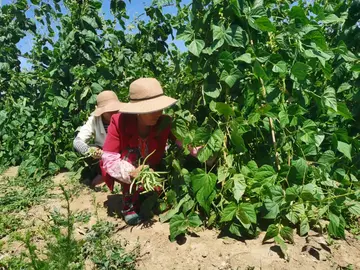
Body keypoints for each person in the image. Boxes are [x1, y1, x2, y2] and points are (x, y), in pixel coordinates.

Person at [100, 78, 201, 225]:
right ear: (138, 111)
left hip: (154, 167)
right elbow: (109, 158)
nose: (158, 113)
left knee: (154, 196)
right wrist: (131, 172)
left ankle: (147, 194)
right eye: (151, 109)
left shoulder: (164, 122)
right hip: (129, 167)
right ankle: (128, 205)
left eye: (159, 108)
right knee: (131, 155)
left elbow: (183, 142)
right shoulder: (119, 121)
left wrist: (203, 153)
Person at [73, 90, 124, 187]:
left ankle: (115, 175)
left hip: (121, 153)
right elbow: (77, 141)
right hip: (102, 155)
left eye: (114, 109)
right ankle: (102, 173)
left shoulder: (124, 116)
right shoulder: (94, 120)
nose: (113, 112)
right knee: (88, 148)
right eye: (109, 111)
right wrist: (90, 151)